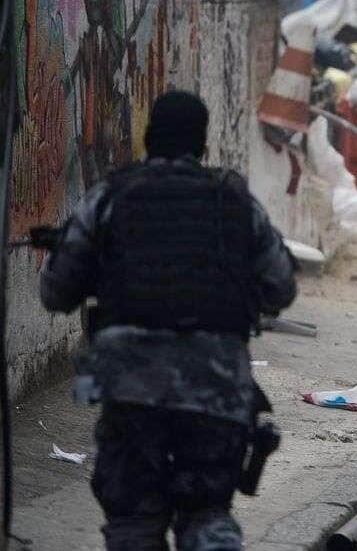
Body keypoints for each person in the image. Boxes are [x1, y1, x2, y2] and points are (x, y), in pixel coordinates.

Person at [39, 91, 298, 550]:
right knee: (207, 515)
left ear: (149, 136)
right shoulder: (235, 200)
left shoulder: (110, 196)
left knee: (134, 521)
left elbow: (56, 292)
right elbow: (281, 286)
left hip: (131, 386)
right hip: (216, 386)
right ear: (202, 143)